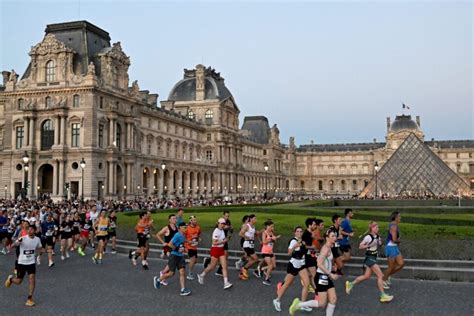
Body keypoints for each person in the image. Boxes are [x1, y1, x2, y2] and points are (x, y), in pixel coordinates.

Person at [289, 229, 340, 316]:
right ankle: (298, 304)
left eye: (335, 236)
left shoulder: (329, 247)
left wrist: (332, 267)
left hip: (325, 276)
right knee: (321, 303)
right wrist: (330, 273)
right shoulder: (326, 249)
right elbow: (319, 264)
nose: (335, 238)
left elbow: (326, 261)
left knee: (333, 299)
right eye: (332, 236)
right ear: (327, 238)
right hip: (321, 277)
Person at [345, 221, 394, 303]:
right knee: (380, 275)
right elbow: (360, 246)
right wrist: (369, 245)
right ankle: (383, 295)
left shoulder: (377, 236)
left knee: (366, 276)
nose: (378, 228)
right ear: (372, 228)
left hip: (373, 257)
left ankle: (350, 284)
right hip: (369, 258)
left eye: (378, 227)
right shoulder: (368, 237)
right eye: (376, 227)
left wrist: (379, 242)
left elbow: (380, 244)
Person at [273, 226, 310, 312]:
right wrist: (295, 246)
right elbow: (289, 252)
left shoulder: (303, 241)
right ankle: (277, 300)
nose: (299, 233)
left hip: (302, 264)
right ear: (294, 232)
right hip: (294, 265)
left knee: (307, 283)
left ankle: (302, 304)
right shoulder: (293, 241)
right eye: (298, 231)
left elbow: (304, 251)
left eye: (301, 231)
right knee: (287, 284)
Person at [5, 224, 43, 307]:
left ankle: (29, 298)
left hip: (31, 262)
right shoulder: (23, 238)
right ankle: (11, 279)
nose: (29, 231)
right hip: (22, 262)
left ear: (35, 231)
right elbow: (13, 246)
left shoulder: (37, 239)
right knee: (18, 282)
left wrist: (39, 255)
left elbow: (40, 247)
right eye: (28, 229)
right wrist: (17, 243)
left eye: (31, 229)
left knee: (32, 278)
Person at [153, 222, 191, 296]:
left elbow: (181, 243)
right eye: (184, 227)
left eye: (186, 227)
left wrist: (185, 249)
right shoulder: (177, 235)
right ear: (179, 228)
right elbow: (170, 244)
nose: (186, 229)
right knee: (171, 273)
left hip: (180, 256)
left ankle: (183, 289)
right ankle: (158, 279)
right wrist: (177, 249)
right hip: (174, 256)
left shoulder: (183, 235)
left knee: (182, 272)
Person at [197, 218, 233, 290]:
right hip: (215, 250)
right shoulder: (216, 231)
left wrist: (226, 239)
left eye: (223, 224)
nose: (222, 225)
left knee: (224, 266)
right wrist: (223, 241)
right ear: (218, 223)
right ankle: (201, 275)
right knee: (212, 266)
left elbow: (225, 234)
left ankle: (226, 283)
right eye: (221, 223)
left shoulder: (222, 230)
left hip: (221, 249)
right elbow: (214, 243)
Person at [383, 212, 404, 289]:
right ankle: (383, 280)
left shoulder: (394, 225)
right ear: (395, 218)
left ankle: (387, 276)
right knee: (391, 267)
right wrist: (399, 241)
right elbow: (394, 240)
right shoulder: (393, 226)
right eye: (399, 216)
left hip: (394, 247)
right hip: (390, 247)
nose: (400, 218)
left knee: (401, 264)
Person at [239, 214, 261, 280]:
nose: (256, 220)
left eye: (256, 219)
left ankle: (242, 273)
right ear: (251, 219)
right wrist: (247, 237)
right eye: (254, 219)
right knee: (256, 259)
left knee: (251, 259)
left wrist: (264, 229)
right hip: (247, 245)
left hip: (251, 245)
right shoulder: (247, 226)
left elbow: (256, 233)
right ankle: (244, 269)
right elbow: (240, 233)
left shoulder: (253, 226)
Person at [260, 219, 280, 285]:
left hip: (271, 251)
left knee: (274, 266)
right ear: (267, 226)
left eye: (273, 226)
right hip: (265, 251)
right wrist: (271, 239)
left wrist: (275, 239)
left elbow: (274, 241)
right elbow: (264, 242)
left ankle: (262, 269)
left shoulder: (271, 233)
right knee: (270, 265)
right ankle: (266, 279)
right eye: (271, 226)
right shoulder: (264, 233)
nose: (272, 228)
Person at [302, 217, 318, 293]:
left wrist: (314, 250)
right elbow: (303, 246)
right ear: (309, 225)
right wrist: (312, 247)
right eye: (314, 224)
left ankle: (313, 288)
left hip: (310, 255)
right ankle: (317, 291)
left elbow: (308, 245)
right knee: (314, 274)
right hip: (306, 257)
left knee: (311, 274)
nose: (315, 226)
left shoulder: (309, 233)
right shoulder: (305, 234)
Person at [185, 215, 201, 280]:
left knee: (195, 261)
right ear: (190, 221)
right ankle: (189, 274)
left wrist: (198, 238)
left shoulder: (198, 227)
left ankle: (186, 261)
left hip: (194, 247)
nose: (195, 221)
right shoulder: (187, 228)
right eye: (194, 220)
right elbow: (182, 236)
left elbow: (198, 234)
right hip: (188, 246)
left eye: (195, 220)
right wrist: (187, 242)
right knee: (193, 259)